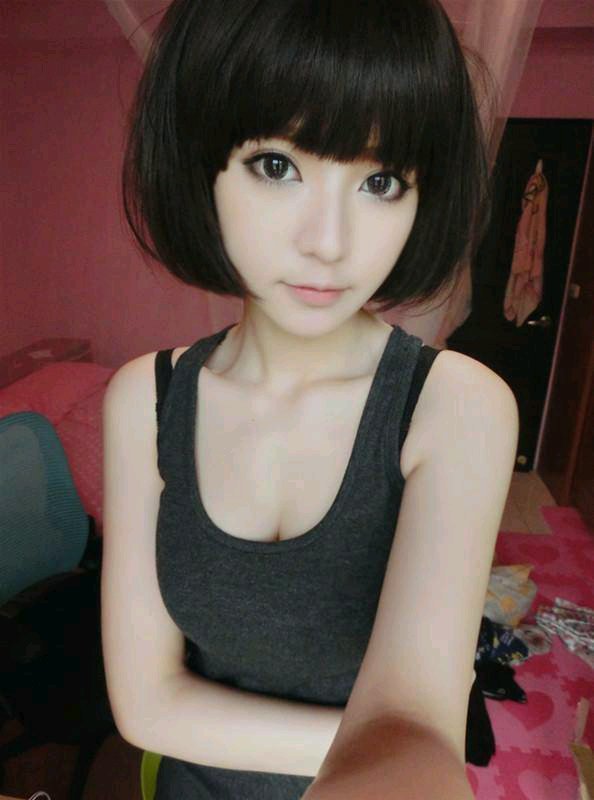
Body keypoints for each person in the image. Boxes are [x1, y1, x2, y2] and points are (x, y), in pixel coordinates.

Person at [100, 0, 518, 798]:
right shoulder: (145, 401)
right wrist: (407, 745)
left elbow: (414, 726)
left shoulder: (454, 408)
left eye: (381, 182)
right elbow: (145, 706)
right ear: (202, 164)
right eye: (276, 165)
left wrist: (421, 751)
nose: (329, 242)